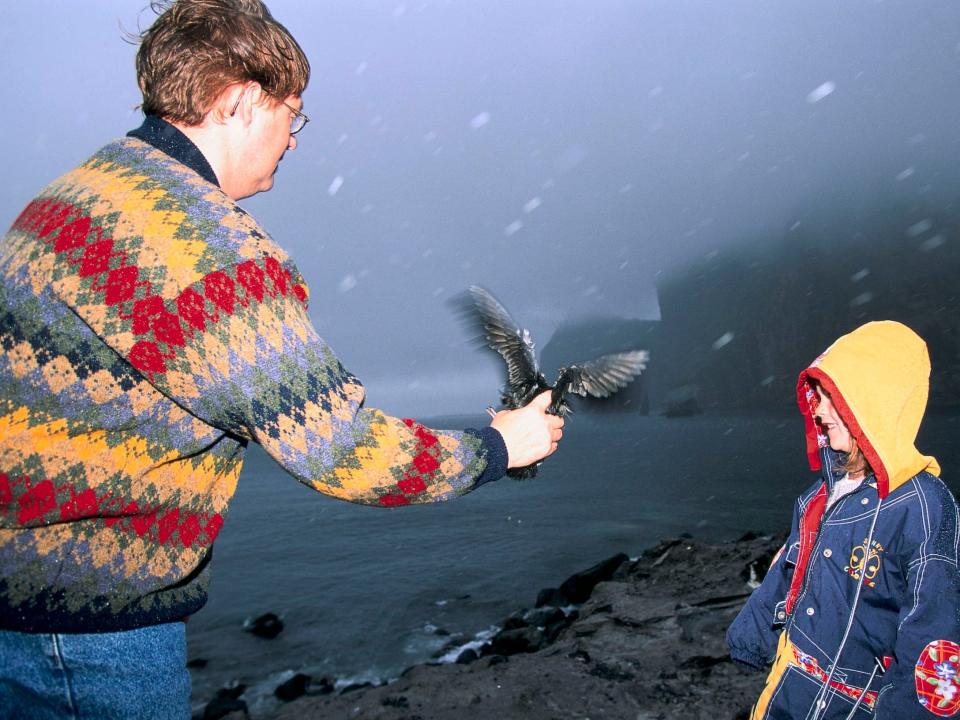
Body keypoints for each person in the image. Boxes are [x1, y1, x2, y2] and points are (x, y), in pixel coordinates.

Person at [0, 1, 563, 717]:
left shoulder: (64, 205)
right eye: (291, 115)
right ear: (238, 101)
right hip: (92, 636)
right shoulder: (208, 251)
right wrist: (497, 447)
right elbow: (341, 448)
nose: (294, 141)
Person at [726, 320, 960, 719]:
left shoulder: (923, 509)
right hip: (788, 689)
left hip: (853, 706)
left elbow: (933, 633)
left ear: (873, 401)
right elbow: (788, 572)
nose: (816, 410)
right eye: (815, 396)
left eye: (830, 397)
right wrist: (750, 636)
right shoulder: (818, 497)